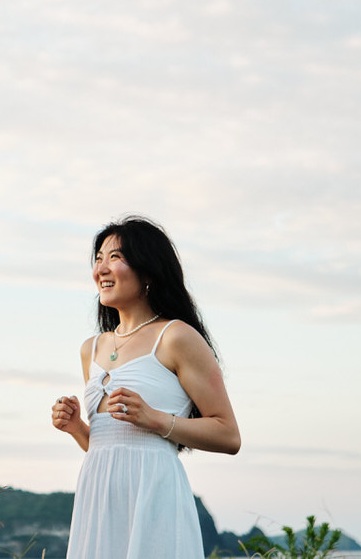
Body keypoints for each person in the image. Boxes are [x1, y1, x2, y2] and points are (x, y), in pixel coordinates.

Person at [51, 216, 240, 559]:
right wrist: (77, 428)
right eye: (98, 259)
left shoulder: (177, 337)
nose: (101, 269)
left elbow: (229, 435)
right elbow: (111, 447)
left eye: (115, 257)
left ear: (148, 272)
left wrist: (155, 419)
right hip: (98, 502)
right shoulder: (90, 349)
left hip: (154, 498)